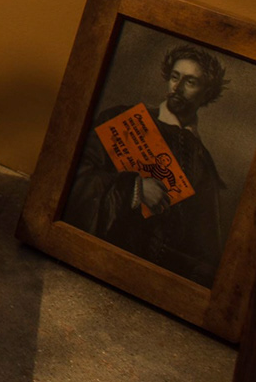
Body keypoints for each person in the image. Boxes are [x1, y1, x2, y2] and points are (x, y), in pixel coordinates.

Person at [64, 43, 229, 285]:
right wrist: (135, 189)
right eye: (175, 77)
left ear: (207, 93)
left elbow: (205, 245)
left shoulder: (203, 161)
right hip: (96, 264)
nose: (177, 88)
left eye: (191, 82)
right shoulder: (120, 118)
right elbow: (73, 177)